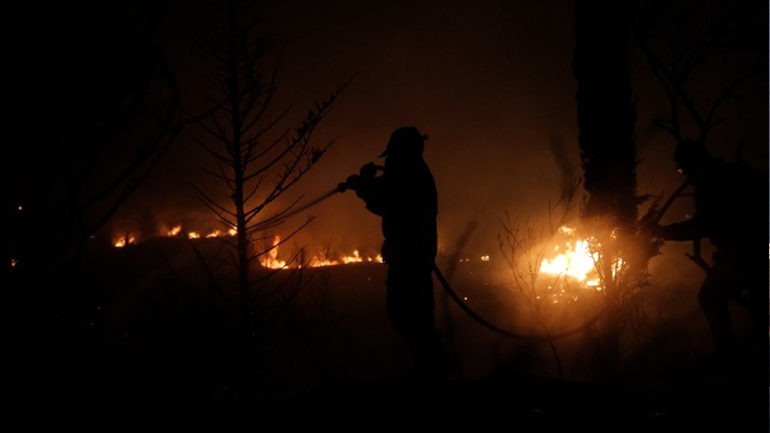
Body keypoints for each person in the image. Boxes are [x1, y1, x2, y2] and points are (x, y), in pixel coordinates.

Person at [339, 126, 451, 378]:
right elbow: (387, 191)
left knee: (405, 309)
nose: (390, 159)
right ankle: (432, 364)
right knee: (412, 310)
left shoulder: (412, 175)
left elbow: (387, 201)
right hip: (413, 254)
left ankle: (434, 365)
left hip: (411, 255)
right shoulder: (410, 172)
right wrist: (364, 184)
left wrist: (364, 185)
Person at [654, 139, 766, 364]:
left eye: (682, 169)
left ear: (693, 163)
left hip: (745, 254)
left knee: (710, 297)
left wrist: (662, 232)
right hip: (755, 249)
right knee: (761, 310)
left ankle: (730, 361)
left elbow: (702, 225)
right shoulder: (729, 172)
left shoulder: (712, 181)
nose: (684, 176)